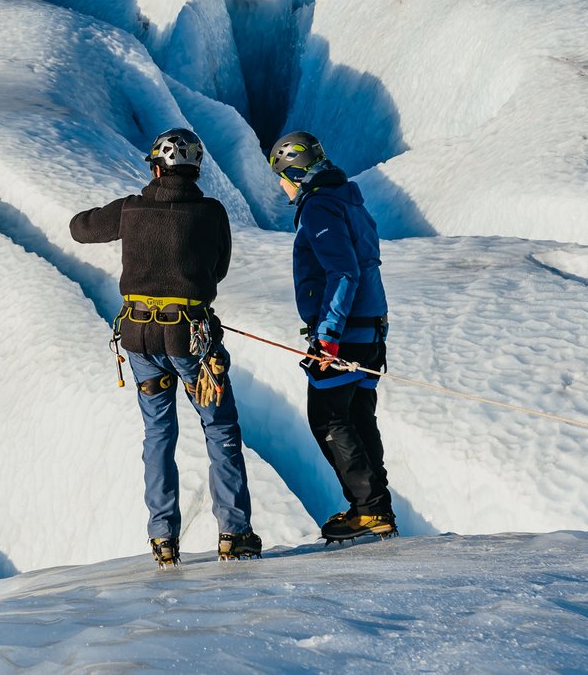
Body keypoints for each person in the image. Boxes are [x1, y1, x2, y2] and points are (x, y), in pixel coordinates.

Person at [71, 127, 260, 567]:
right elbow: (221, 269)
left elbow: (81, 229)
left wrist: (124, 217)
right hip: (191, 337)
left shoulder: (131, 210)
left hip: (139, 339)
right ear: (194, 170)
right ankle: (234, 533)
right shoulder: (211, 213)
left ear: (156, 168)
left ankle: (163, 538)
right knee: (219, 427)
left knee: (159, 432)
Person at [268, 130, 397, 542]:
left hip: (347, 332)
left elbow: (343, 271)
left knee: (327, 416)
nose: (282, 186)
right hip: (370, 327)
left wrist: (327, 335)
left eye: (282, 176)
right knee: (359, 415)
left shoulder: (320, 206)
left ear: (295, 172)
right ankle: (376, 506)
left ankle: (369, 508)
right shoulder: (347, 199)